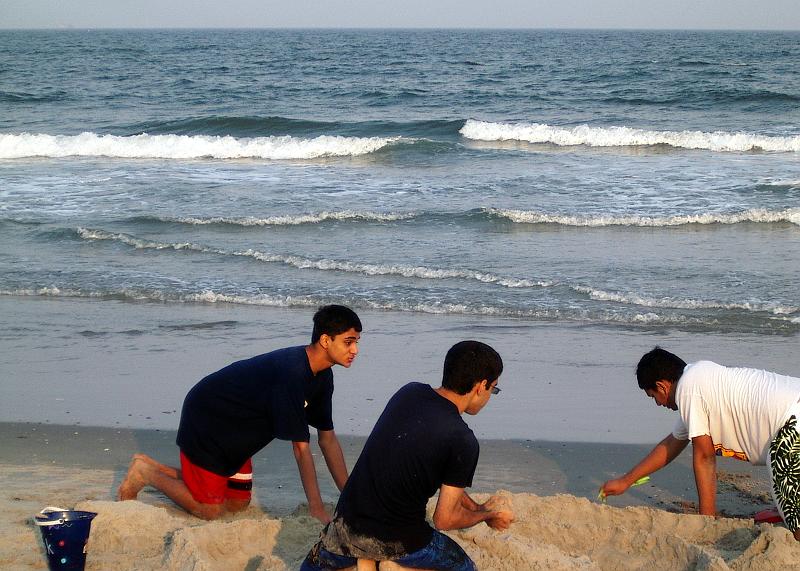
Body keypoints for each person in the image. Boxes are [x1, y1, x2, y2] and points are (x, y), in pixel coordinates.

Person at [117, 304, 362, 522]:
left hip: (238, 436)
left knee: (236, 505)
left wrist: (351, 497)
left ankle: (155, 467)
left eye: (357, 342)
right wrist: (317, 509)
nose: (355, 350)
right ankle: (145, 473)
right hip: (209, 421)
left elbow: (327, 439)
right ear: (326, 340)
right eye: (348, 342)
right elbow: (300, 449)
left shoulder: (323, 376)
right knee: (210, 510)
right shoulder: (293, 373)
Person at [301, 340, 515, 571]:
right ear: (481, 386)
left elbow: (441, 476)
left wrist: (480, 509)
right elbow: (445, 519)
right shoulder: (463, 439)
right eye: (493, 388)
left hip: (344, 529)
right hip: (397, 541)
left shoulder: (409, 393)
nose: (490, 395)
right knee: (463, 566)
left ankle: (366, 563)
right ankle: (395, 565)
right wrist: (485, 517)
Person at [600, 346, 800, 539]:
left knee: (794, 517)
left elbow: (704, 457)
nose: (658, 404)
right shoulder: (698, 381)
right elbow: (673, 443)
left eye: (653, 396)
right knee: (785, 502)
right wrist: (625, 481)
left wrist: (707, 521)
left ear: (662, 386)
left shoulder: (689, 390)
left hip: (792, 422)